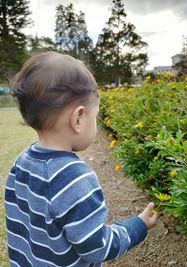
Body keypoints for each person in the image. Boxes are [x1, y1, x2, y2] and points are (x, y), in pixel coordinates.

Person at [5, 51, 158, 267]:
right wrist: (138, 226)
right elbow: (97, 248)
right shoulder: (73, 178)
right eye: (94, 117)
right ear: (78, 118)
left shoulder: (21, 162)